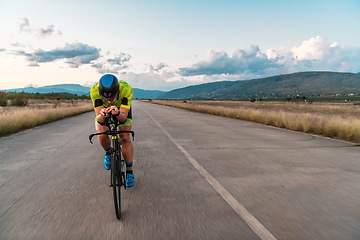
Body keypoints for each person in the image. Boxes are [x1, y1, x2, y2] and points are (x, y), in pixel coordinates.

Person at [90, 74, 135, 187]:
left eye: (112, 97)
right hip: (103, 111)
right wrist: (103, 115)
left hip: (121, 110)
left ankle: (129, 172)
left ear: (118, 91)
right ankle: (108, 152)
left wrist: (118, 113)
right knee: (101, 133)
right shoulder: (94, 91)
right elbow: (100, 120)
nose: (109, 101)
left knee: (125, 137)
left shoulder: (126, 90)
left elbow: (124, 118)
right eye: (105, 98)